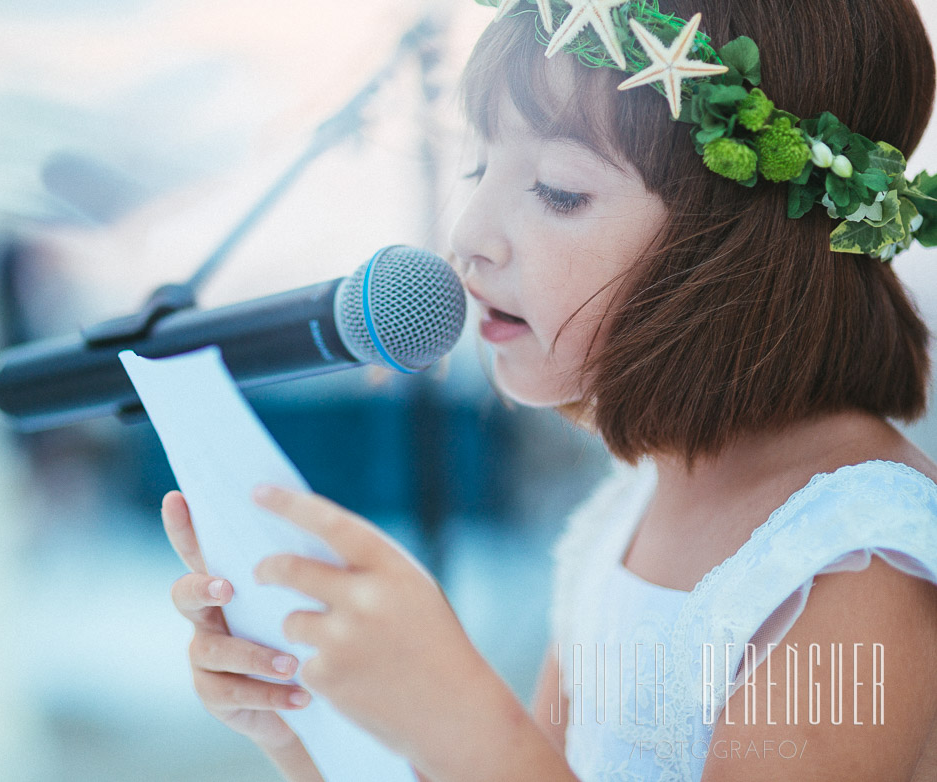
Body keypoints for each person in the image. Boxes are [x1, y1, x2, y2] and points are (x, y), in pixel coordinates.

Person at [162, 0, 937, 779]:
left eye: (558, 190)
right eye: (479, 168)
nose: (467, 236)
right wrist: (309, 727)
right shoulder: (628, 507)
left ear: (742, 242)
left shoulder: (856, 562)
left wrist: (456, 714)